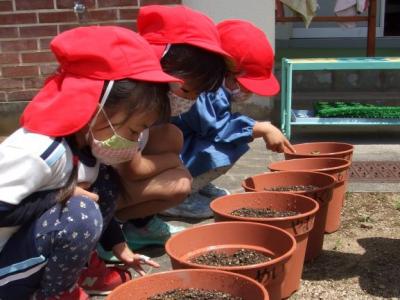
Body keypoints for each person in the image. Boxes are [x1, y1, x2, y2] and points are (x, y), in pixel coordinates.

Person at [0, 26, 180, 299]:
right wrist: (58, 196)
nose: (134, 142)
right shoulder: (39, 151)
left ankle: (73, 273)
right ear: (95, 112)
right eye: (133, 131)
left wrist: (121, 248)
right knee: (78, 209)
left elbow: (99, 202)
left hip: (25, 253)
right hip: (6, 269)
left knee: (102, 186)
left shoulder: (87, 151)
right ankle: (57, 293)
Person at [111, 5, 231, 253]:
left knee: (171, 137)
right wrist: (174, 162)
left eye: (198, 93)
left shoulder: (149, 104)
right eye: (186, 90)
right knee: (179, 183)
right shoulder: (127, 107)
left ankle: (138, 225)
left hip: (113, 178)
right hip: (88, 192)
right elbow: (133, 170)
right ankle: (106, 233)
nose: (191, 99)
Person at [165, 19, 296, 218]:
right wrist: (260, 128)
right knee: (228, 146)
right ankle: (178, 198)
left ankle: (197, 184)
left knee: (231, 140)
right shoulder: (205, 87)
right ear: (228, 72)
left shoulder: (214, 82)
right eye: (244, 85)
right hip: (170, 155)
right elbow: (215, 129)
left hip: (181, 145)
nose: (248, 93)